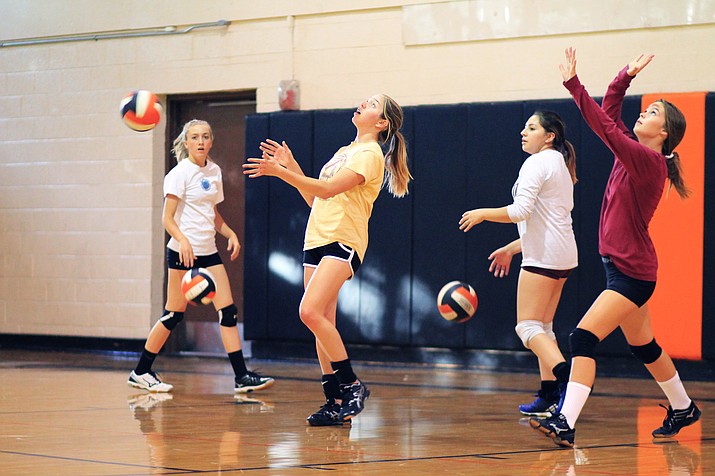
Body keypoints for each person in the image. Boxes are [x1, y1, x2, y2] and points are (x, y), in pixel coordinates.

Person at [530, 48, 701, 447]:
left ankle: (565, 421)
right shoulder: (637, 151)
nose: (645, 114)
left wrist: (574, 85)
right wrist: (626, 76)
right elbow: (610, 112)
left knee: (583, 338)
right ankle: (684, 406)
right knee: (644, 345)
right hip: (623, 268)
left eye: (654, 113)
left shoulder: (647, 161)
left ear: (664, 135)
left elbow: (603, 126)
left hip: (632, 274)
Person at [243, 94, 411, 425]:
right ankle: (335, 402)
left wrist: (280, 173)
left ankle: (351, 385)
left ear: (382, 123)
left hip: (343, 240)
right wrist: (292, 167)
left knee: (309, 311)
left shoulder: (370, 154)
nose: (363, 102)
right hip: (316, 239)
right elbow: (314, 196)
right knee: (323, 323)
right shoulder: (343, 152)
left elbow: (327, 190)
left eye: (372, 103)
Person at [128, 119, 274, 394]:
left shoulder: (215, 171)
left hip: (209, 253)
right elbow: (167, 218)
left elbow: (213, 215)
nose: (200, 142)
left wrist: (230, 233)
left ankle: (241, 377)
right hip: (184, 253)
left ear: (211, 141)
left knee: (228, 312)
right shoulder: (179, 174)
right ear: (186, 143)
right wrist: (182, 240)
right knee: (173, 314)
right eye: (194, 137)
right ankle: (141, 371)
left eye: (205, 136)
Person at [459, 110, 577, 418]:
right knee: (544, 328)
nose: (523, 132)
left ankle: (568, 383)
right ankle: (550, 393)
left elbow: (522, 210)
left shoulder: (537, 162)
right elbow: (546, 220)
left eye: (532, 128)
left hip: (544, 256)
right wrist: (513, 248)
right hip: (563, 254)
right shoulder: (560, 165)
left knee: (526, 327)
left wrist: (483, 212)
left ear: (549, 136)